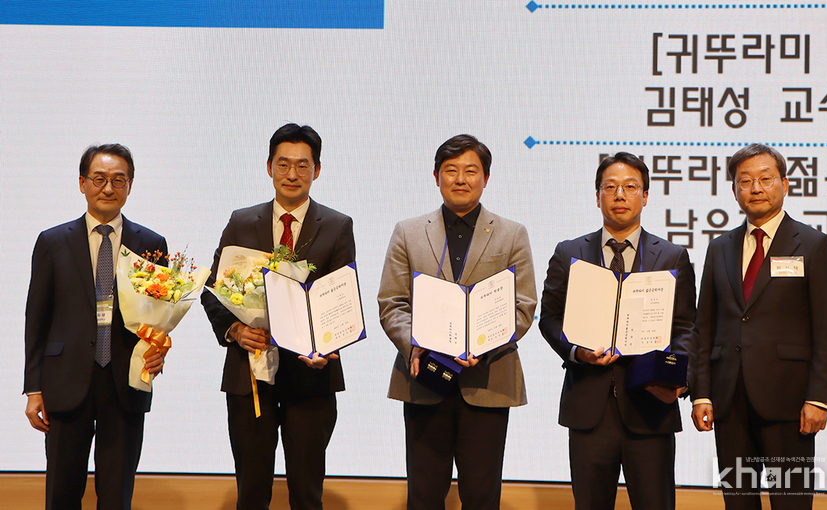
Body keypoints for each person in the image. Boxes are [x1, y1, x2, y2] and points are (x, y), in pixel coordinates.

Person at [378, 134, 536, 510]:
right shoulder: (408, 232)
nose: (461, 179)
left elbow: (523, 306)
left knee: (482, 496)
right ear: (436, 177)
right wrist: (415, 342)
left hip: (488, 378)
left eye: (471, 171)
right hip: (424, 377)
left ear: (486, 178)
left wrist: (483, 343)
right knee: (424, 495)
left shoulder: (512, 233)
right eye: (451, 170)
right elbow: (392, 303)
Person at [201, 123, 355, 510]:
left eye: (303, 165)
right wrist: (236, 329)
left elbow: (340, 299)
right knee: (251, 493)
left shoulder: (337, 226)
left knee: (307, 493)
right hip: (250, 376)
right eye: (283, 164)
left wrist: (327, 345)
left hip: (311, 378)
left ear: (317, 170)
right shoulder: (241, 221)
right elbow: (213, 290)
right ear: (269, 166)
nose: (292, 174)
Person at [538, 152, 697, 510]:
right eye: (610, 187)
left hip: (651, 405)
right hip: (589, 409)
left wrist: (677, 378)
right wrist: (577, 351)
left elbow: (686, 326)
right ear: (597, 197)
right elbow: (549, 318)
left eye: (630, 187)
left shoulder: (672, 256)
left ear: (645, 195)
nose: (620, 195)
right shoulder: (569, 253)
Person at [691, 144, 827, 509]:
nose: (755, 188)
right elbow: (704, 325)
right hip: (729, 400)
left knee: (791, 501)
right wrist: (701, 393)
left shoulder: (813, 244)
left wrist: (819, 398)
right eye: (745, 181)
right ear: (734, 190)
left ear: (784, 184)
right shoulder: (719, 248)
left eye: (765, 178)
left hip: (790, 401)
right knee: (738, 501)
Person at [24, 144, 167, 510]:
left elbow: (159, 314)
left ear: (130, 185)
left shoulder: (151, 244)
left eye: (118, 180)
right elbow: (37, 319)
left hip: (125, 383)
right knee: (61, 493)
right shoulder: (53, 241)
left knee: (117, 496)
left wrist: (158, 349)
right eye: (99, 179)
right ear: (82, 183)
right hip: (65, 380)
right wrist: (34, 389)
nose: (108, 188)